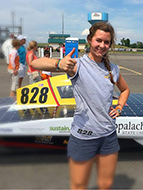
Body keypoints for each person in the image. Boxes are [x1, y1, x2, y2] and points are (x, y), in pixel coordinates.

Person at [31, 22, 130, 189]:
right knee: (78, 185)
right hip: (83, 137)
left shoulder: (113, 69)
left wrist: (119, 106)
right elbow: (35, 63)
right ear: (90, 40)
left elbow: (125, 89)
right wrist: (58, 64)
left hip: (108, 135)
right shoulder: (78, 65)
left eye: (106, 42)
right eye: (98, 40)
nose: (102, 45)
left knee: (105, 185)